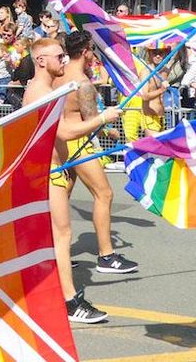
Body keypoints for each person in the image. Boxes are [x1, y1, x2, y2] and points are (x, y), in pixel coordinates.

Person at [23, 38, 118, 324]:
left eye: (65, 55)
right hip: (46, 171)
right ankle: (69, 300)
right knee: (61, 235)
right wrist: (103, 119)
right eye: (59, 56)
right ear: (41, 61)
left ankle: (54, 292)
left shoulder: (46, 89)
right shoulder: (41, 92)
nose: (64, 60)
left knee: (56, 235)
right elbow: (64, 132)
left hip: (53, 169)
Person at [52, 31, 138, 274]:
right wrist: (108, 124)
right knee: (104, 194)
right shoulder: (82, 83)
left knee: (62, 197)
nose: (93, 56)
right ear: (85, 51)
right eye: (91, 50)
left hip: (60, 143)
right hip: (77, 144)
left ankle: (57, 254)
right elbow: (91, 119)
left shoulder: (58, 75)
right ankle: (106, 256)